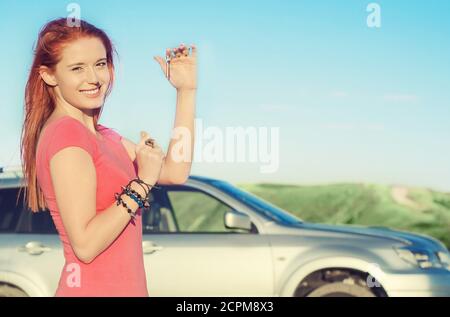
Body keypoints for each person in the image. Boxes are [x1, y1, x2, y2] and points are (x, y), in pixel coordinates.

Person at [19, 17, 197, 296]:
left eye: (100, 64)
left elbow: (176, 171)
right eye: (77, 68)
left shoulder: (103, 135)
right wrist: (142, 183)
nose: (94, 78)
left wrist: (186, 91)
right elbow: (86, 245)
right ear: (49, 75)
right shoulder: (66, 134)